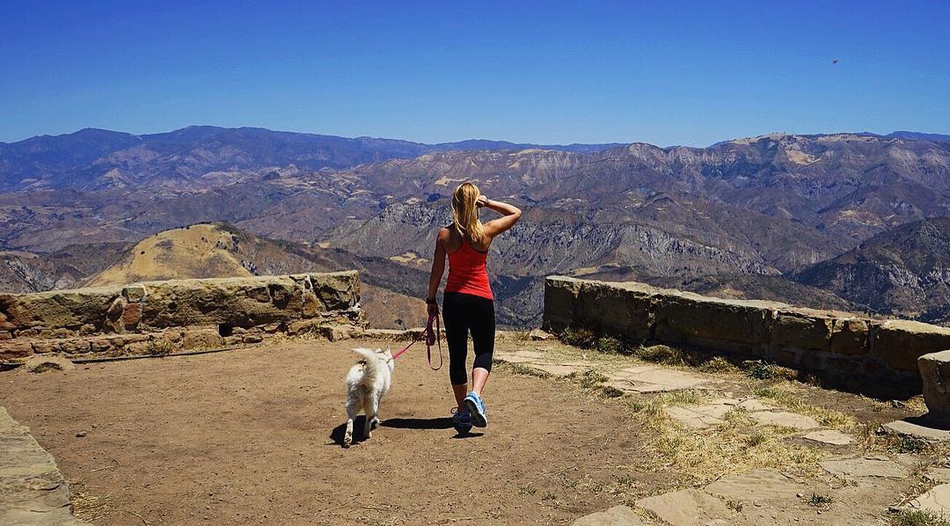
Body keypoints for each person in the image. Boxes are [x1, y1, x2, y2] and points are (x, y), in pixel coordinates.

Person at [426, 182, 521, 433]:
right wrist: (488, 203)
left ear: (455, 204)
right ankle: (475, 395)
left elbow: (437, 271)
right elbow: (515, 213)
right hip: (481, 299)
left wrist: (431, 299)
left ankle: (462, 413)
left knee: (457, 355)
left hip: (454, 299)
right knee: (484, 350)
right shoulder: (485, 232)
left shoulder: (444, 235)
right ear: (475, 203)